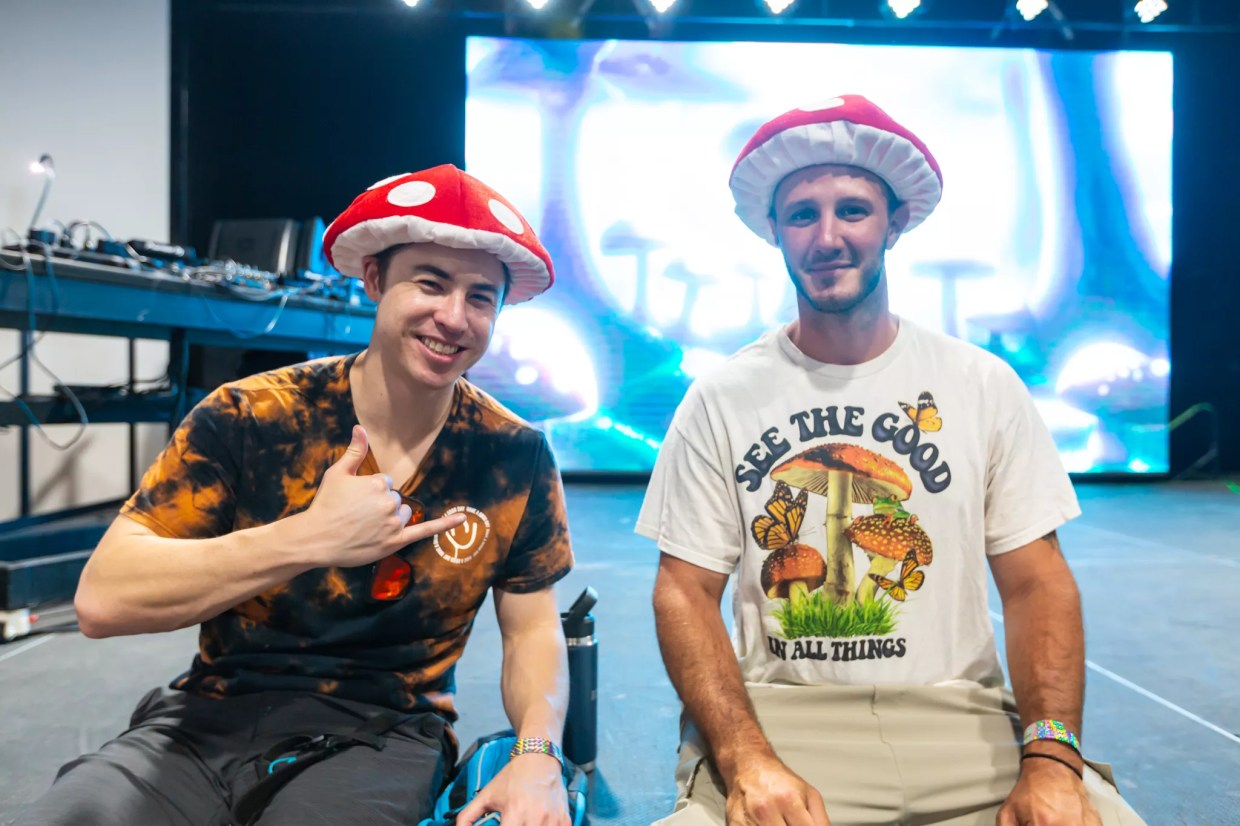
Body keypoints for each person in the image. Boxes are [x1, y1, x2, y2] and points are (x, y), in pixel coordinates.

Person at [638, 96, 1147, 825]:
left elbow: (1038, 584)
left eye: (852, 210)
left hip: (965, 721)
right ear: (776, 233)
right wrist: (747, 760)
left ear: (894, 223)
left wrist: (1052, 760)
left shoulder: (981, 384)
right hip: (787, 723)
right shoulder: (721, 397)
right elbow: (683, 591)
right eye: (803, 215)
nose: (827, 236)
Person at [15, 164, 575, 826]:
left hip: (385, 728)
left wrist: (538, 755)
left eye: (481, 297)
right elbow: (102, 601)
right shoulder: (253, 416)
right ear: (373, 280)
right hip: (208, 715)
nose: (453, 317)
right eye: (430, 283)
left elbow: (533, 628)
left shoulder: (511, 454)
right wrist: (308, 538)